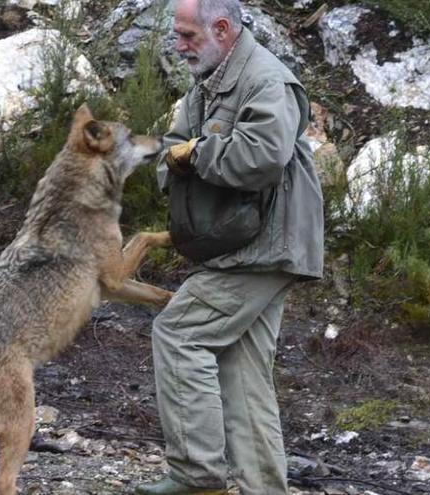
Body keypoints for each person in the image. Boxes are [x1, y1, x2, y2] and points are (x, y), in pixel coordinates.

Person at [135, 0, 324, 494]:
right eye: (177, 36)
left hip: (264, 245)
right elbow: (169, 149)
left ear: (221, 28)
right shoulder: (210, 80)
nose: (178, 46)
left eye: (187, 36)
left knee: (180, 334)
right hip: (246, 243)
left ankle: (196, 476)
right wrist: (178, 157)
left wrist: (196, 154)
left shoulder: (266, 80)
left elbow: (261, 158)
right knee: (242, 369)